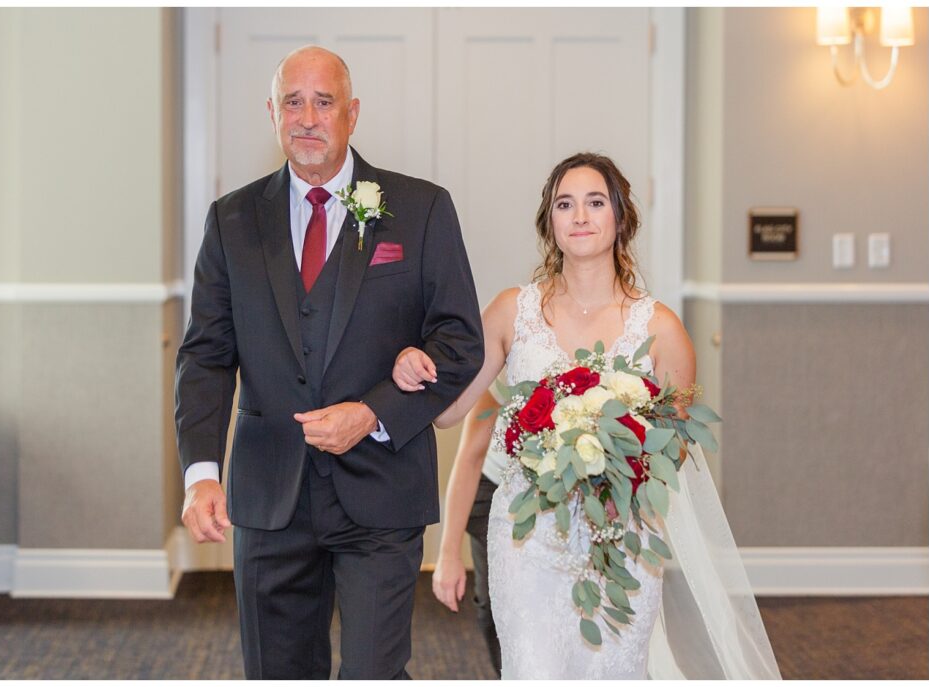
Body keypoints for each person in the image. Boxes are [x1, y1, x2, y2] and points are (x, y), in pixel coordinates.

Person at [392, 152, 781, 679]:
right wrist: (416, 365)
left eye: (595, 203)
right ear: (549, 223)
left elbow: (674, 452)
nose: (579, 216)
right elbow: (449, 413)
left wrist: (610, 455)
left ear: (621, 218)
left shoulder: (661, 329)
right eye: (564, 204)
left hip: (622, 540)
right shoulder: (513, 311)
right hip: (527, 539)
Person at [175, 45, 484, 680]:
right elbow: (206, 355)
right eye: (293, 102)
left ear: (352, 113)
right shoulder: (231, 220)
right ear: (272, 113)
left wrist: (372, 413)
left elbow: (459, 344)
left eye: (324, 102)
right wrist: (201, 473)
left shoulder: (422, 209)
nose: (308, 117)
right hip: (268, 497)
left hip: (381, 491)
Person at [430, 387, 503, 675]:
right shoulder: (512, 359)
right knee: (493, 606)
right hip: (498, 488)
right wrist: (448, 555)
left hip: (574, 497)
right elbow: (470, 457)